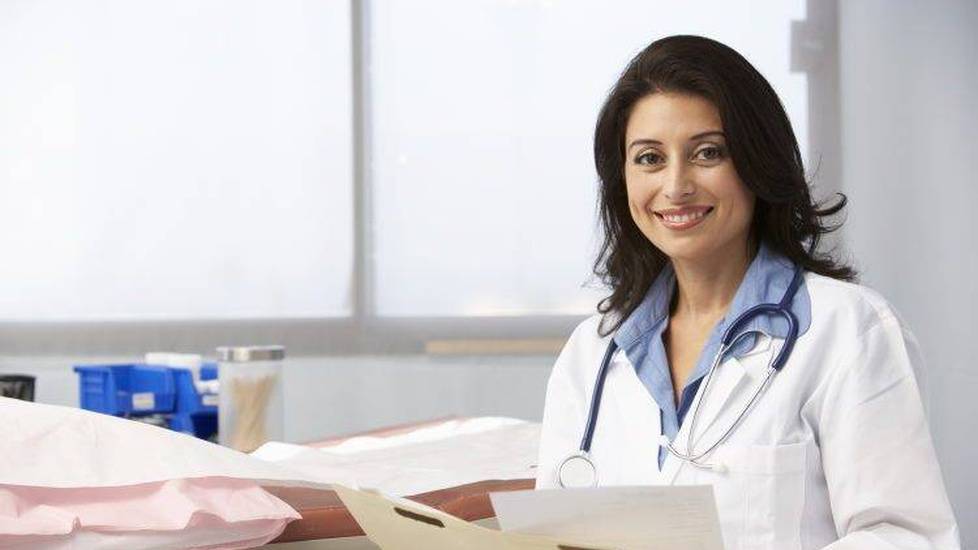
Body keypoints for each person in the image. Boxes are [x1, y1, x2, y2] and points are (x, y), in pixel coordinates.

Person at [535, 35, 960, 549]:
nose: (675, 186)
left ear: (758, 163)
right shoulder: (593, 353)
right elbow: (551, 537)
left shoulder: (848, 329)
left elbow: (906, 538)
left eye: (707, 152)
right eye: (649, 158)